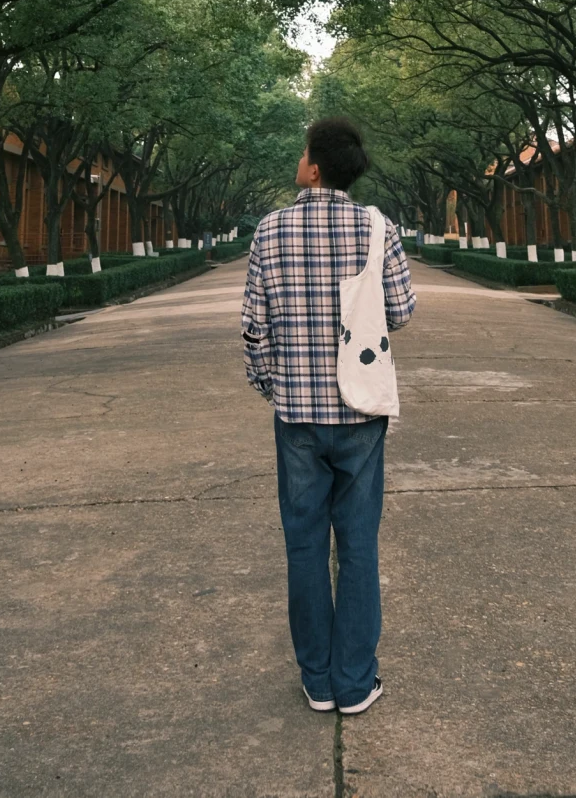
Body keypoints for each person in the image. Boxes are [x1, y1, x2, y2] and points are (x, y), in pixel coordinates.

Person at [240, 116, 416, 715]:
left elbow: (254, 328)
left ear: (314, 165)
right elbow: (401, 311)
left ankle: (317, 680)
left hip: (297, 413)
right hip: (360, 410)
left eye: (301, 152)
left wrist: (275, 384)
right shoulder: (377, 227)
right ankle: (354, 682)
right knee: (359, 545)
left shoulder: (270, 230)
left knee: (305, 546)